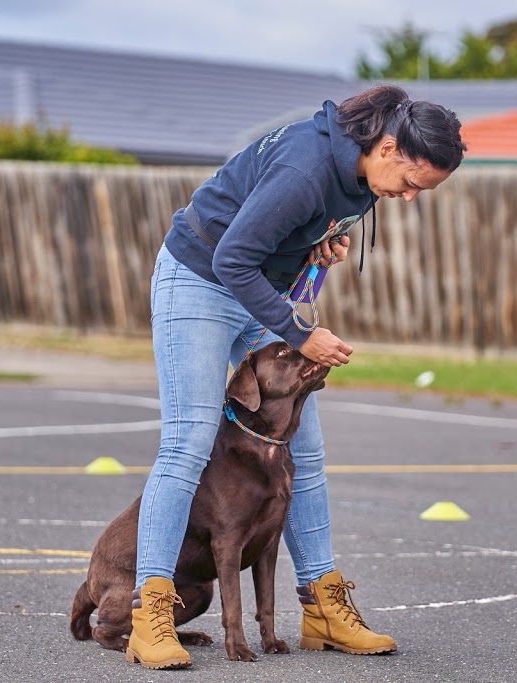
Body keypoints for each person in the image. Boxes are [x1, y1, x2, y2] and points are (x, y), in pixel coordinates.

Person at [128, 83, 466, 669]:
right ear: (388, 148)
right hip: (201, 279)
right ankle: (150, 612)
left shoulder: (362, 175)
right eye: (411, 184)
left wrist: (319, 245)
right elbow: (233, 256)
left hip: (259, 289)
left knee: (301, 449)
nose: (409, 198)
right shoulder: (306, 169)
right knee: (187, 442)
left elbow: (288, 238)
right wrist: (301, 332)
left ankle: (321, 609)